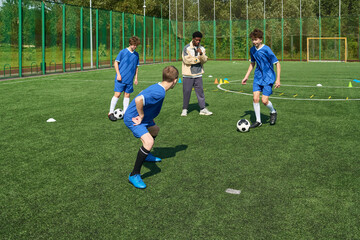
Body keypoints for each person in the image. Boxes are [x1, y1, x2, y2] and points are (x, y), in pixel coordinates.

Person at [123, 66, 179, 189]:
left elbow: (141, 94)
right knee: (149, 142)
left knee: (155, 129)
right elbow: (138, 99)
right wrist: (141, 115)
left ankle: (146, 155)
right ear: (175, 80)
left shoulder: (158, 86)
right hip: (133, 118)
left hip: (145, 118)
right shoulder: (159, 92)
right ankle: (134, 174)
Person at [242, 29, 281, 128]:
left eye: (255, 39)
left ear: (260, 39)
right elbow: (252, 64)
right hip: (258, 77)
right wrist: (246, 77)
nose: (254, 42)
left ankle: (273, 111)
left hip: (268, 78)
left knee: (264, 101)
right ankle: (258, 121)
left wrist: (278, 79)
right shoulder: (252, 50)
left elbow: (277, 63)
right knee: (255, 98)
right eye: (252, 40)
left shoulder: (266, 49)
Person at [108, 36, 141, 121]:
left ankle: (126, 113)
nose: (135, 47)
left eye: (136, 45)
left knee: (127, 95)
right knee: (117, 94)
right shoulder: (123, 52)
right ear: (130, 44)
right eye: (134, 45)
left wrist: (136, 78)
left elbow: (137, 67)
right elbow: (116, 63)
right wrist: (118, 74)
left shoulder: (136, 55)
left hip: (129, 79)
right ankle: (110, 112)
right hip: (121, 79)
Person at [181, 31, 212, 117]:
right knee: (186, 92)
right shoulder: (186, 48)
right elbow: (187, 60)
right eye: (196, 40)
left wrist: (201, 54)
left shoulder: (202, 49)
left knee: (200, 92)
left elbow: (205, 60)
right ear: (193, 39)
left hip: (198, 74)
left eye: (199, 40)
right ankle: (185, 109)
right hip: (188, 75)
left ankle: (202, 109)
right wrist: (198, 59)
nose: (198, 42)